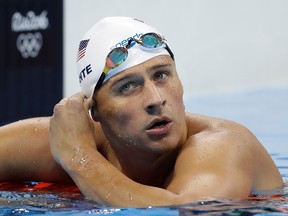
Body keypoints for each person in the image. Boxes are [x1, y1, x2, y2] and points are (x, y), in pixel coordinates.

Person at [0, 17, 283, 207]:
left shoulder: (226, 143)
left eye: (161, 75)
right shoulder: (69, 139)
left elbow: (183, 211)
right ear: (94, 111)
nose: (155, 99)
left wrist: (78, 158)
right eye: (127, 87)